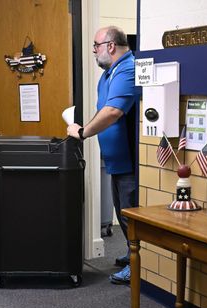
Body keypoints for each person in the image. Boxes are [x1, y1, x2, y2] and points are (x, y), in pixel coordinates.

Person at [67, 26, 139, 285]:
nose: (94, 51)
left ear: (110, 46)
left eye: (96, 45)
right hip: (116, 160)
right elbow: (103, 110)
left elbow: (112, 112)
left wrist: (83, 132)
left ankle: (137, 265)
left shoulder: (129, 69)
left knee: (130, 214)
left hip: (130, 162)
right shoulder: (109, 74)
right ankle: (132, 254)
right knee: (122, 212)